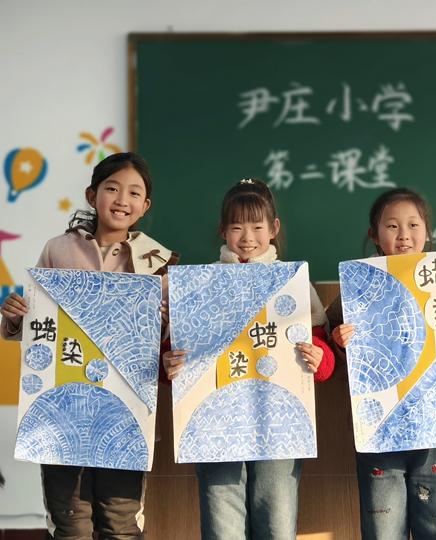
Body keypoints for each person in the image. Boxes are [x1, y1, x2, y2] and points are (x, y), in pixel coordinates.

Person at [0, 151, 177, 539]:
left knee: (120, 522)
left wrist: (167, 325)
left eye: (134, 193)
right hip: (62, 412)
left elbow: (170, 343)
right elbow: (39, 326)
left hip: (126, 416)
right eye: (112, 188)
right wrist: (15, 316)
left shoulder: (158, 262)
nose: (122, 200)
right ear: (91, 194)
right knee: (70, 522)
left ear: (145, 206)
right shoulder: (58, 250)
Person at [327, 187, 436, 540]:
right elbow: (332, 350)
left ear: (427, 231)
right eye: (392, 226)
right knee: (382, 527)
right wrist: (340, 341)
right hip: (381, 426)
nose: (404, 235)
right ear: (374, 235)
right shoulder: (359, 288)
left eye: (413, 225)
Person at [162, 178, 335, 540]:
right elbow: (176, 354)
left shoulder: (293, 282)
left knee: (276, 523)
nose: (247, 237)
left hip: (279, 422)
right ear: (222, 230)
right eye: (237, 226)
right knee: (222, 525)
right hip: (215, 423)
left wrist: (320, 358)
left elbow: (321, 352)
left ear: (274, 229)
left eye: (257, 226)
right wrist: (170, 365)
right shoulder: (200, 284)